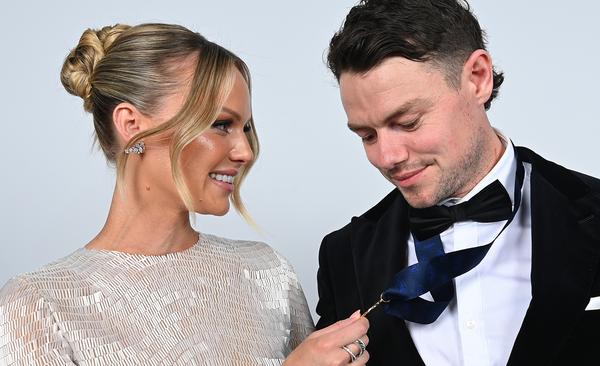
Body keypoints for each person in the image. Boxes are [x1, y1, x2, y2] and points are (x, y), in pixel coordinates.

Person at [0, 23, 369, 365]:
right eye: (220, 124)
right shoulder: (41, 304)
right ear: (131, 125)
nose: (245, 151)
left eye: (246, 127)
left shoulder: (268, 274)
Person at [315, 0, 600, 365]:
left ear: (477, 78)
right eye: (366, 135)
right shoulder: (343, 257)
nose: (387, 157)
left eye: (408, 122)